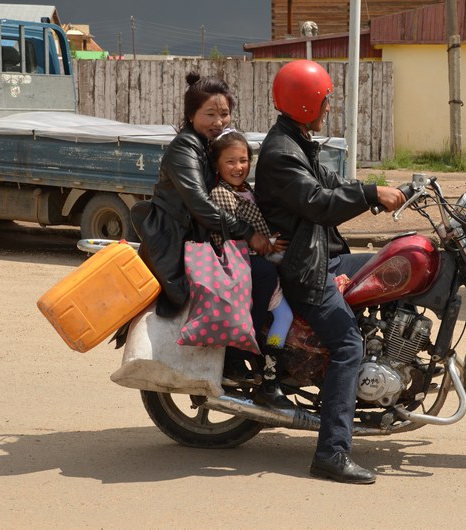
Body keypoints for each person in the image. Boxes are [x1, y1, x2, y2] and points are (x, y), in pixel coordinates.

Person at [254, 59, 406, 484]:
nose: (328, 106)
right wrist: (372, 193)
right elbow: (319, 202)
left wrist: (378, 192)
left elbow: (331, 185)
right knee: (347, 346)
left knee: (393, 267)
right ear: (306, 103)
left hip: (322, 254)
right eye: (324, 99)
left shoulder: (297, 140)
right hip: (303, 267)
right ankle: (331, 453)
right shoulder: (282, 153)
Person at [132, 73, 278, 377]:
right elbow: (200, 204)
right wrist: (248, 234)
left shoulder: (206, 145)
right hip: (176, 245)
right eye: (210, 114)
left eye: (224, 114)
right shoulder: (184, 149)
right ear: (191, 115)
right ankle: (236, 356)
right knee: (262, 273)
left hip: (196, 238)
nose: (219, 121)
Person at [207, 128, 294, 407]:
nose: (238, 167)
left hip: (265, 268)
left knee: (285, 318)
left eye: (243, 160)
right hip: (245, 273)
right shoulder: (221, 195)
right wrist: (264, 244)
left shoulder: (246, 190)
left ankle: (271, 376)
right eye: (230, 161)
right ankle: (246, 352)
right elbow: (223, 240)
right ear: (217, 165)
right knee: (268, 316)